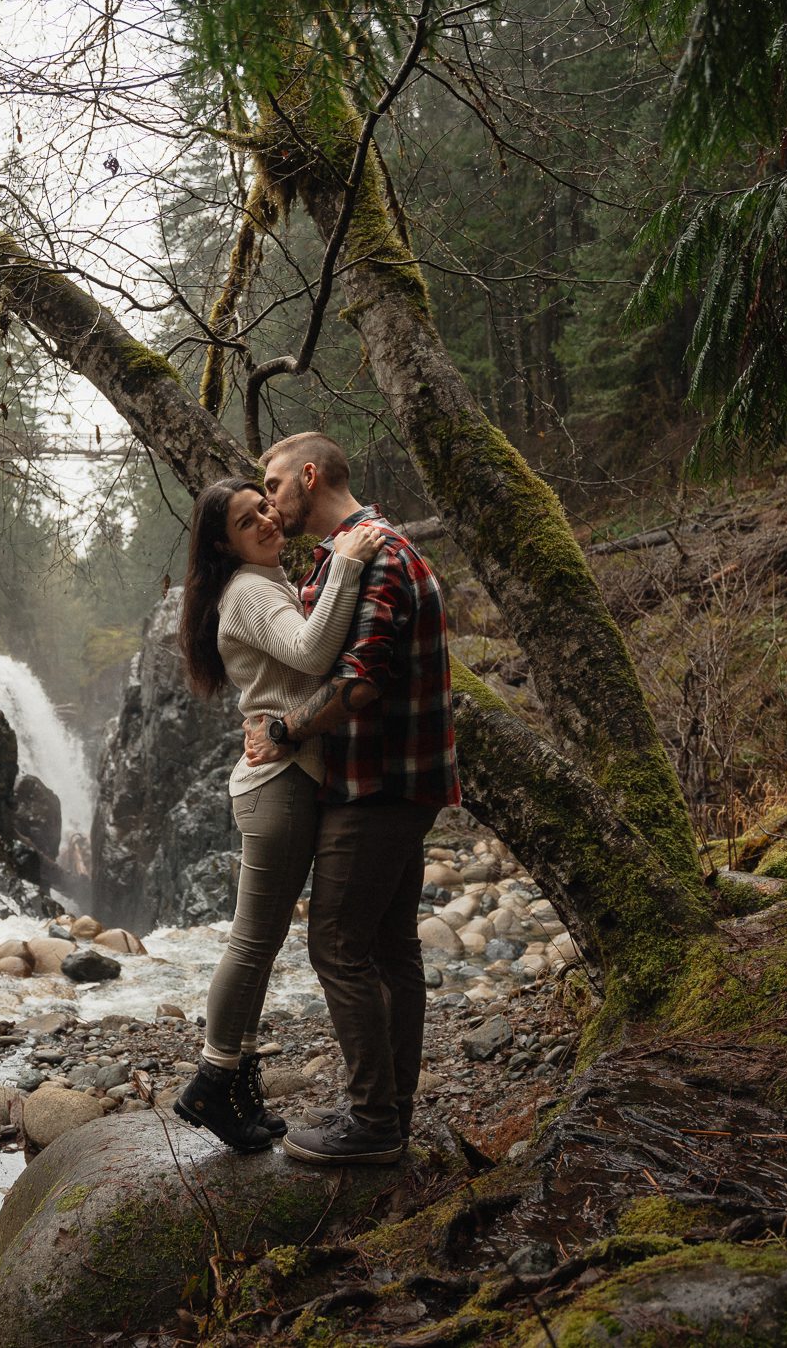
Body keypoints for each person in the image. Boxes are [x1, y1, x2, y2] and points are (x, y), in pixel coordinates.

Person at [246, 431, 460, 1166]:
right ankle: (390, 1111)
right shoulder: (364, 550)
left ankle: (371, 1121)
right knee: (392, 947)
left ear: (309, 475)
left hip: (376, 785)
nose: (270, 500)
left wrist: (284, 729)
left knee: (336, 944)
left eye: (273, 484)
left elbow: (361, 683)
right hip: (401, 781)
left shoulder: (379, 555)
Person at [172, 475, 387, 1151]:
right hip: (281, 783)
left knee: (258, 944)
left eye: (265, 506)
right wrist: (350, 560)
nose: (267, 517)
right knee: (252, 941)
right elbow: (313, 652)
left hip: (284, 777)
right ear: (223, 544)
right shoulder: (249, 591)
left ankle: (237, 1082)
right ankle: (212, 1079)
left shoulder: (260, 586)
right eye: (246, 520)